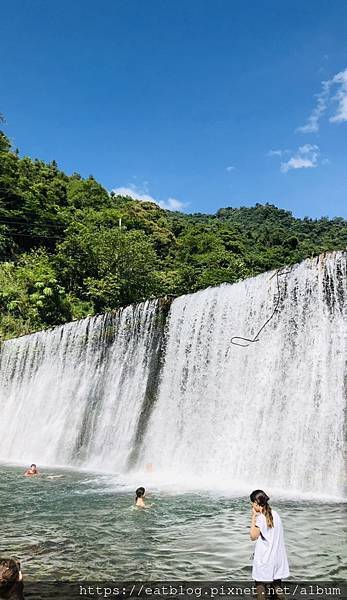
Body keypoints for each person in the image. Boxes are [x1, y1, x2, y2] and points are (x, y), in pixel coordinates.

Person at [249, 490, 289, 600]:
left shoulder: (261, 518)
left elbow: (253, 536)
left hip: (265, 560)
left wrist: (253, 517)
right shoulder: (276, 514)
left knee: (260, 589)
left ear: (256, 503)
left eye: (252, 503)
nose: (252, 506)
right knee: (277, 590)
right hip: (278, 559)